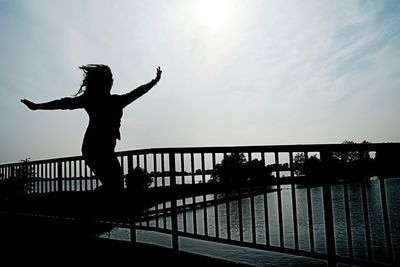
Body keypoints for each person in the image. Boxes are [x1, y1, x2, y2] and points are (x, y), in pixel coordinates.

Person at [21, 64, 162, 192]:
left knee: (115, 184)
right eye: (109, 78)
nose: (112, 81)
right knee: (114, 184)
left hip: (105, 149)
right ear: (103, 82)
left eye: (112, 78)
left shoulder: (114, 101)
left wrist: (154, 82)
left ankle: (92, 212)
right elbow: (63, 103)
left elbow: (137, 92)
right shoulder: (95, 100)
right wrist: (37, 106)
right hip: (93, 149)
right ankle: (88, 211)